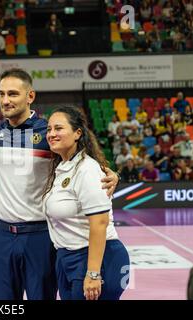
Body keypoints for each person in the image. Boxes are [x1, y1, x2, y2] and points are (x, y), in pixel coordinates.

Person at [0, 68, 119, 300]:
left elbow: (83, 157)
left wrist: (112, 174)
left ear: (30, 96)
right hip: (2, 234)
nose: (5, 100)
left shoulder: (49, 132)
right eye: (1, 94)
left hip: (39, 234)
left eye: (13, 94)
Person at [42, 105, 130, 300]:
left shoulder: (86, 169)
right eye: (49, 129)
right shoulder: (63, 167)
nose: (51, 134)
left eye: (58, 128)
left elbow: (99, 223)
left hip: (96, 258)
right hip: (69, 258)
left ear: (77, 133)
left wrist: (93, 273)